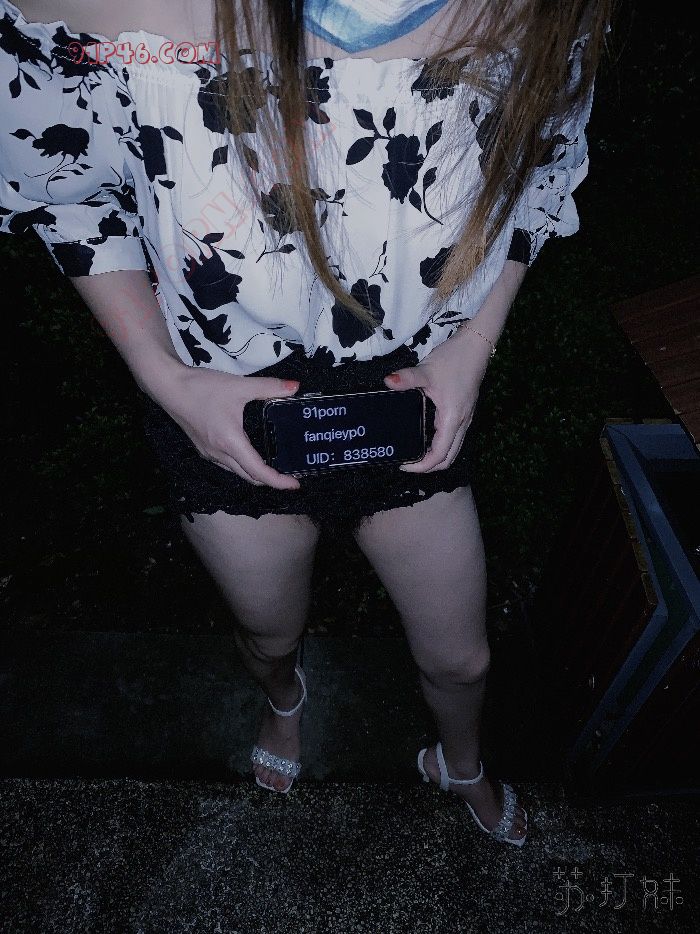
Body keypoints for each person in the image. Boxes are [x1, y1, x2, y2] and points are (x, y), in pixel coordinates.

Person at [0, 0, 614, 847]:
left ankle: (460, 759)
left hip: (410, 399)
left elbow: (535, 171)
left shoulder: (545, 9)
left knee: (463, 657)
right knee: (268, 633)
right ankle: (285, 700)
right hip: (227, 410)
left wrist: (472, 350)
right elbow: (68, 199)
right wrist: (166, 378)